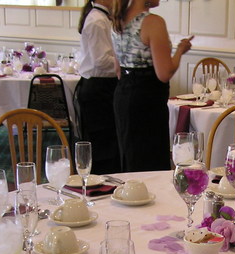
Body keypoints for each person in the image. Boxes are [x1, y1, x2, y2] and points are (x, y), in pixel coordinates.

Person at [112, 0, 193, 172]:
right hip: (146, 99)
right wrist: (180, 50)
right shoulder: (152, 22)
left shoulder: (119, 19)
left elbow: (118, 70)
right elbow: (164, 73)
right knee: (150, 162)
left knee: (131, 159)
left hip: (123, 94)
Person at [76, 0, 121, 175]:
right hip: (98, 89)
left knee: (109, 140)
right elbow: (101, 61)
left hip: (104, 87)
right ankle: (100, 180)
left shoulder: (102, 18)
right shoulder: (97, 20)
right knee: (102, 142)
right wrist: (124, 64)